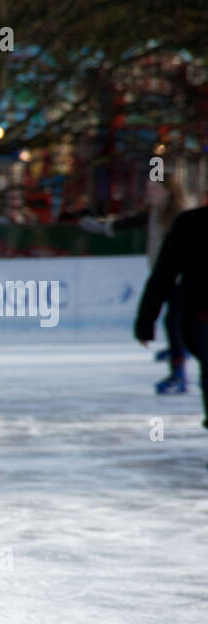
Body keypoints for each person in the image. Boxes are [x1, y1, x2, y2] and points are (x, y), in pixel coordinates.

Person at [136, 201, 208, 444]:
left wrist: (146, 321)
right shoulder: (191, 222)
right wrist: (146, 320)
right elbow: (165, 272)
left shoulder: (187, 220)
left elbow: (164, 272)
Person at [110, 178, 189, 393]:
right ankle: (180, 356)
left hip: (181, 279)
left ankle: (179, 371)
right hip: (164, 277)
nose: (150, 193)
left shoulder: (179, 215)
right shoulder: (155, 214)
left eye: (155, 189)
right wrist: (107, 227)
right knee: (175, 322)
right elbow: (132, 222)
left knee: (175, 321)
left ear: (168, 191)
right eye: (148, 189)